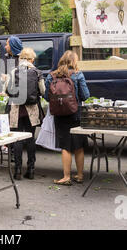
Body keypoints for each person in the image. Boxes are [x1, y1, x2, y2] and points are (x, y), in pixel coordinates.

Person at [44, 50, 90, 186]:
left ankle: (66, 177)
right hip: (76, 113)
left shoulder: (51, 76)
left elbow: (47, 97)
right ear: (74, 61)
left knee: (65, 146)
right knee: (79, 145)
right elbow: (86, 95)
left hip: (59, 114)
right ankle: (80, 175)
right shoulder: (77, 75)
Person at [5, 47, 45, 180]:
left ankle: (17, 170)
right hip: (31, 109)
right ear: (32, 59)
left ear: (20, 58)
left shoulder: (13, 71)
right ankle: (31, 169)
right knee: (30, 138)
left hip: (16, 109)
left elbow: (6, 89)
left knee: (17, 139)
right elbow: (43, 91)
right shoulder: (37, 72)